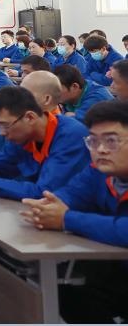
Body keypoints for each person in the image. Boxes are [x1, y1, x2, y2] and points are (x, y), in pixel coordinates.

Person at [21, 100, 128, 323]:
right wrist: (47, 207)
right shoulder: (99, 171)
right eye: (93, 141)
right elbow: (71, 194)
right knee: (65, 290)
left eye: (111, 140)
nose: (100, 149)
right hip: (118, 271)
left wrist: (65, 219)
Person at [0, 86, 89, 201]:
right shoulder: (23, 135)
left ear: (30, 117)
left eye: (4, 125)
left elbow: (45, 192)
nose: (2, 133)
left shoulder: (71, 136)